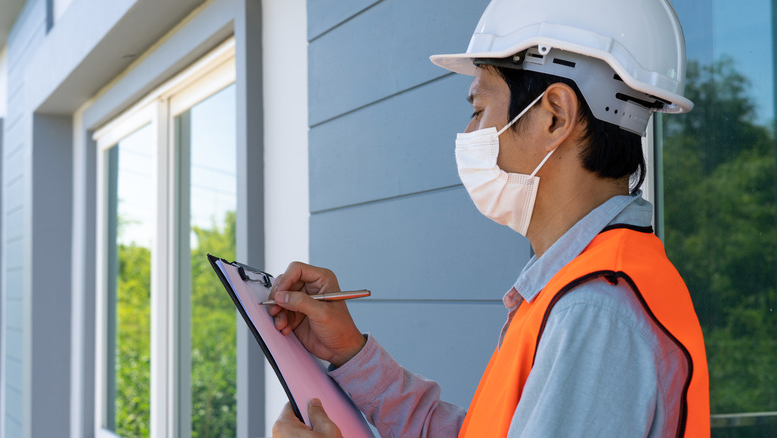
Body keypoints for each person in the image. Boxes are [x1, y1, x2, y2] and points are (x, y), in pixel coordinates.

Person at [269, 0, 710, 436]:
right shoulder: (575, 287)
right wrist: (351, 354)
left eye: (478, 109)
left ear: (555, 115)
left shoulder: (594, 312)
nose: (466, 135)